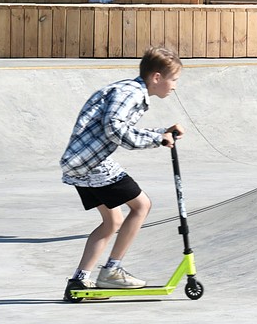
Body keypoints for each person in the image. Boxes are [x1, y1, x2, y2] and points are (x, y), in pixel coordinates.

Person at [60, 46, 187, 295]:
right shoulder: (131, 93)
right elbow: (115, 128)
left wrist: (161, 132)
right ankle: (112, 271)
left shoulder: (129, 90)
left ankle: (80, 279)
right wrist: (157, 139)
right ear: (157, 77)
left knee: (113, 221)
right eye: (174, 80)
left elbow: (120, 126)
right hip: (92, 162)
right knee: (141, 206)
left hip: (79, 163)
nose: (175, 86)